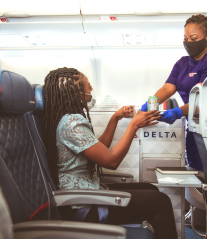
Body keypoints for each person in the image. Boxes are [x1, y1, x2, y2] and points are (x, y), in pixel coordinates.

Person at [42, 67, 178, 239]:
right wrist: (133, 125)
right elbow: (111, 161)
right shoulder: (71, 123)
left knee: (149, 189)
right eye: (88, 87)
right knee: (160, 202)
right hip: (83, 205)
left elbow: (100, 149)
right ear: (75, 92)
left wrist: (115, 117)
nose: (91, 91)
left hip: (86, 191)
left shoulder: (64, 118)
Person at [141, 14, 207, 171]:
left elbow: (204, 100)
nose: (188, 42)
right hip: (193, 125)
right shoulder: (182, 63)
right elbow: (168, 88)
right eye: (186, 38)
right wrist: (151, 102)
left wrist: (178, 112)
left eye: (193, 38)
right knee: (194, 167)